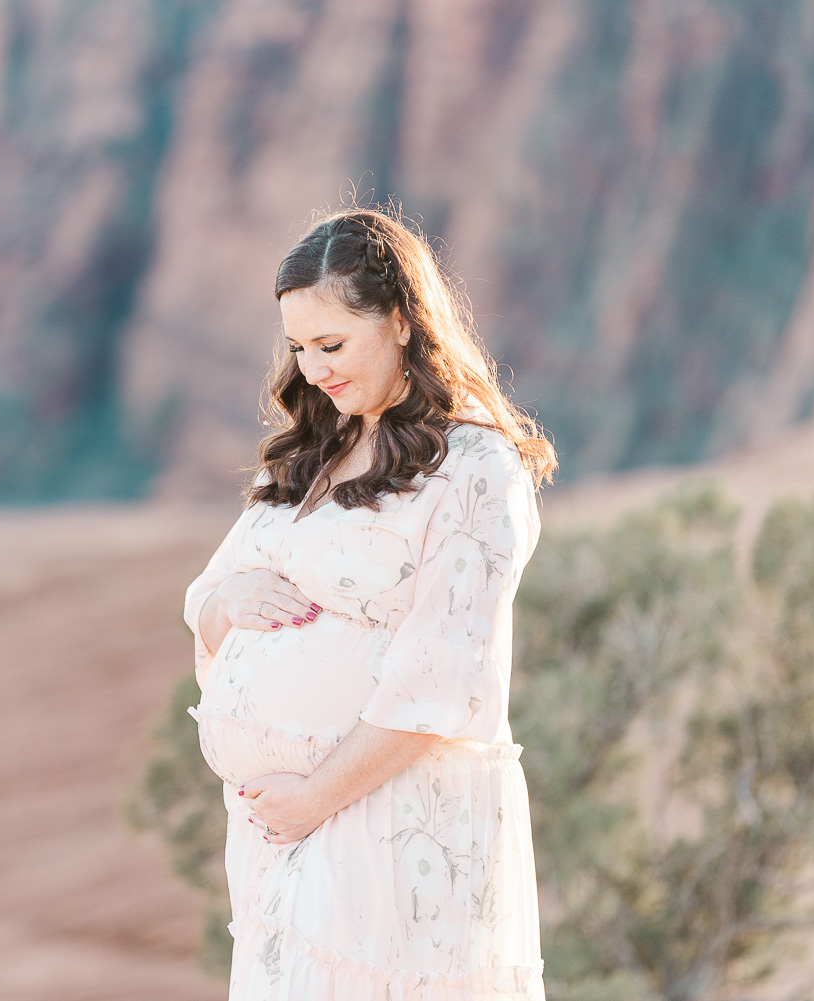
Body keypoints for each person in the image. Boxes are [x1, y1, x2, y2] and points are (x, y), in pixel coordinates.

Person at [182, 206, 558, 1000]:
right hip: (283, 836)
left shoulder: (476, 468)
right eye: (297, 347)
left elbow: (447, 673)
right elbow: (210, 597)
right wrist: (226, 603)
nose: (313, 370)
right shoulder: (313, 450)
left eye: (332, 345)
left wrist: (315, 795)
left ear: (398, 322)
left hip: (391, 824)